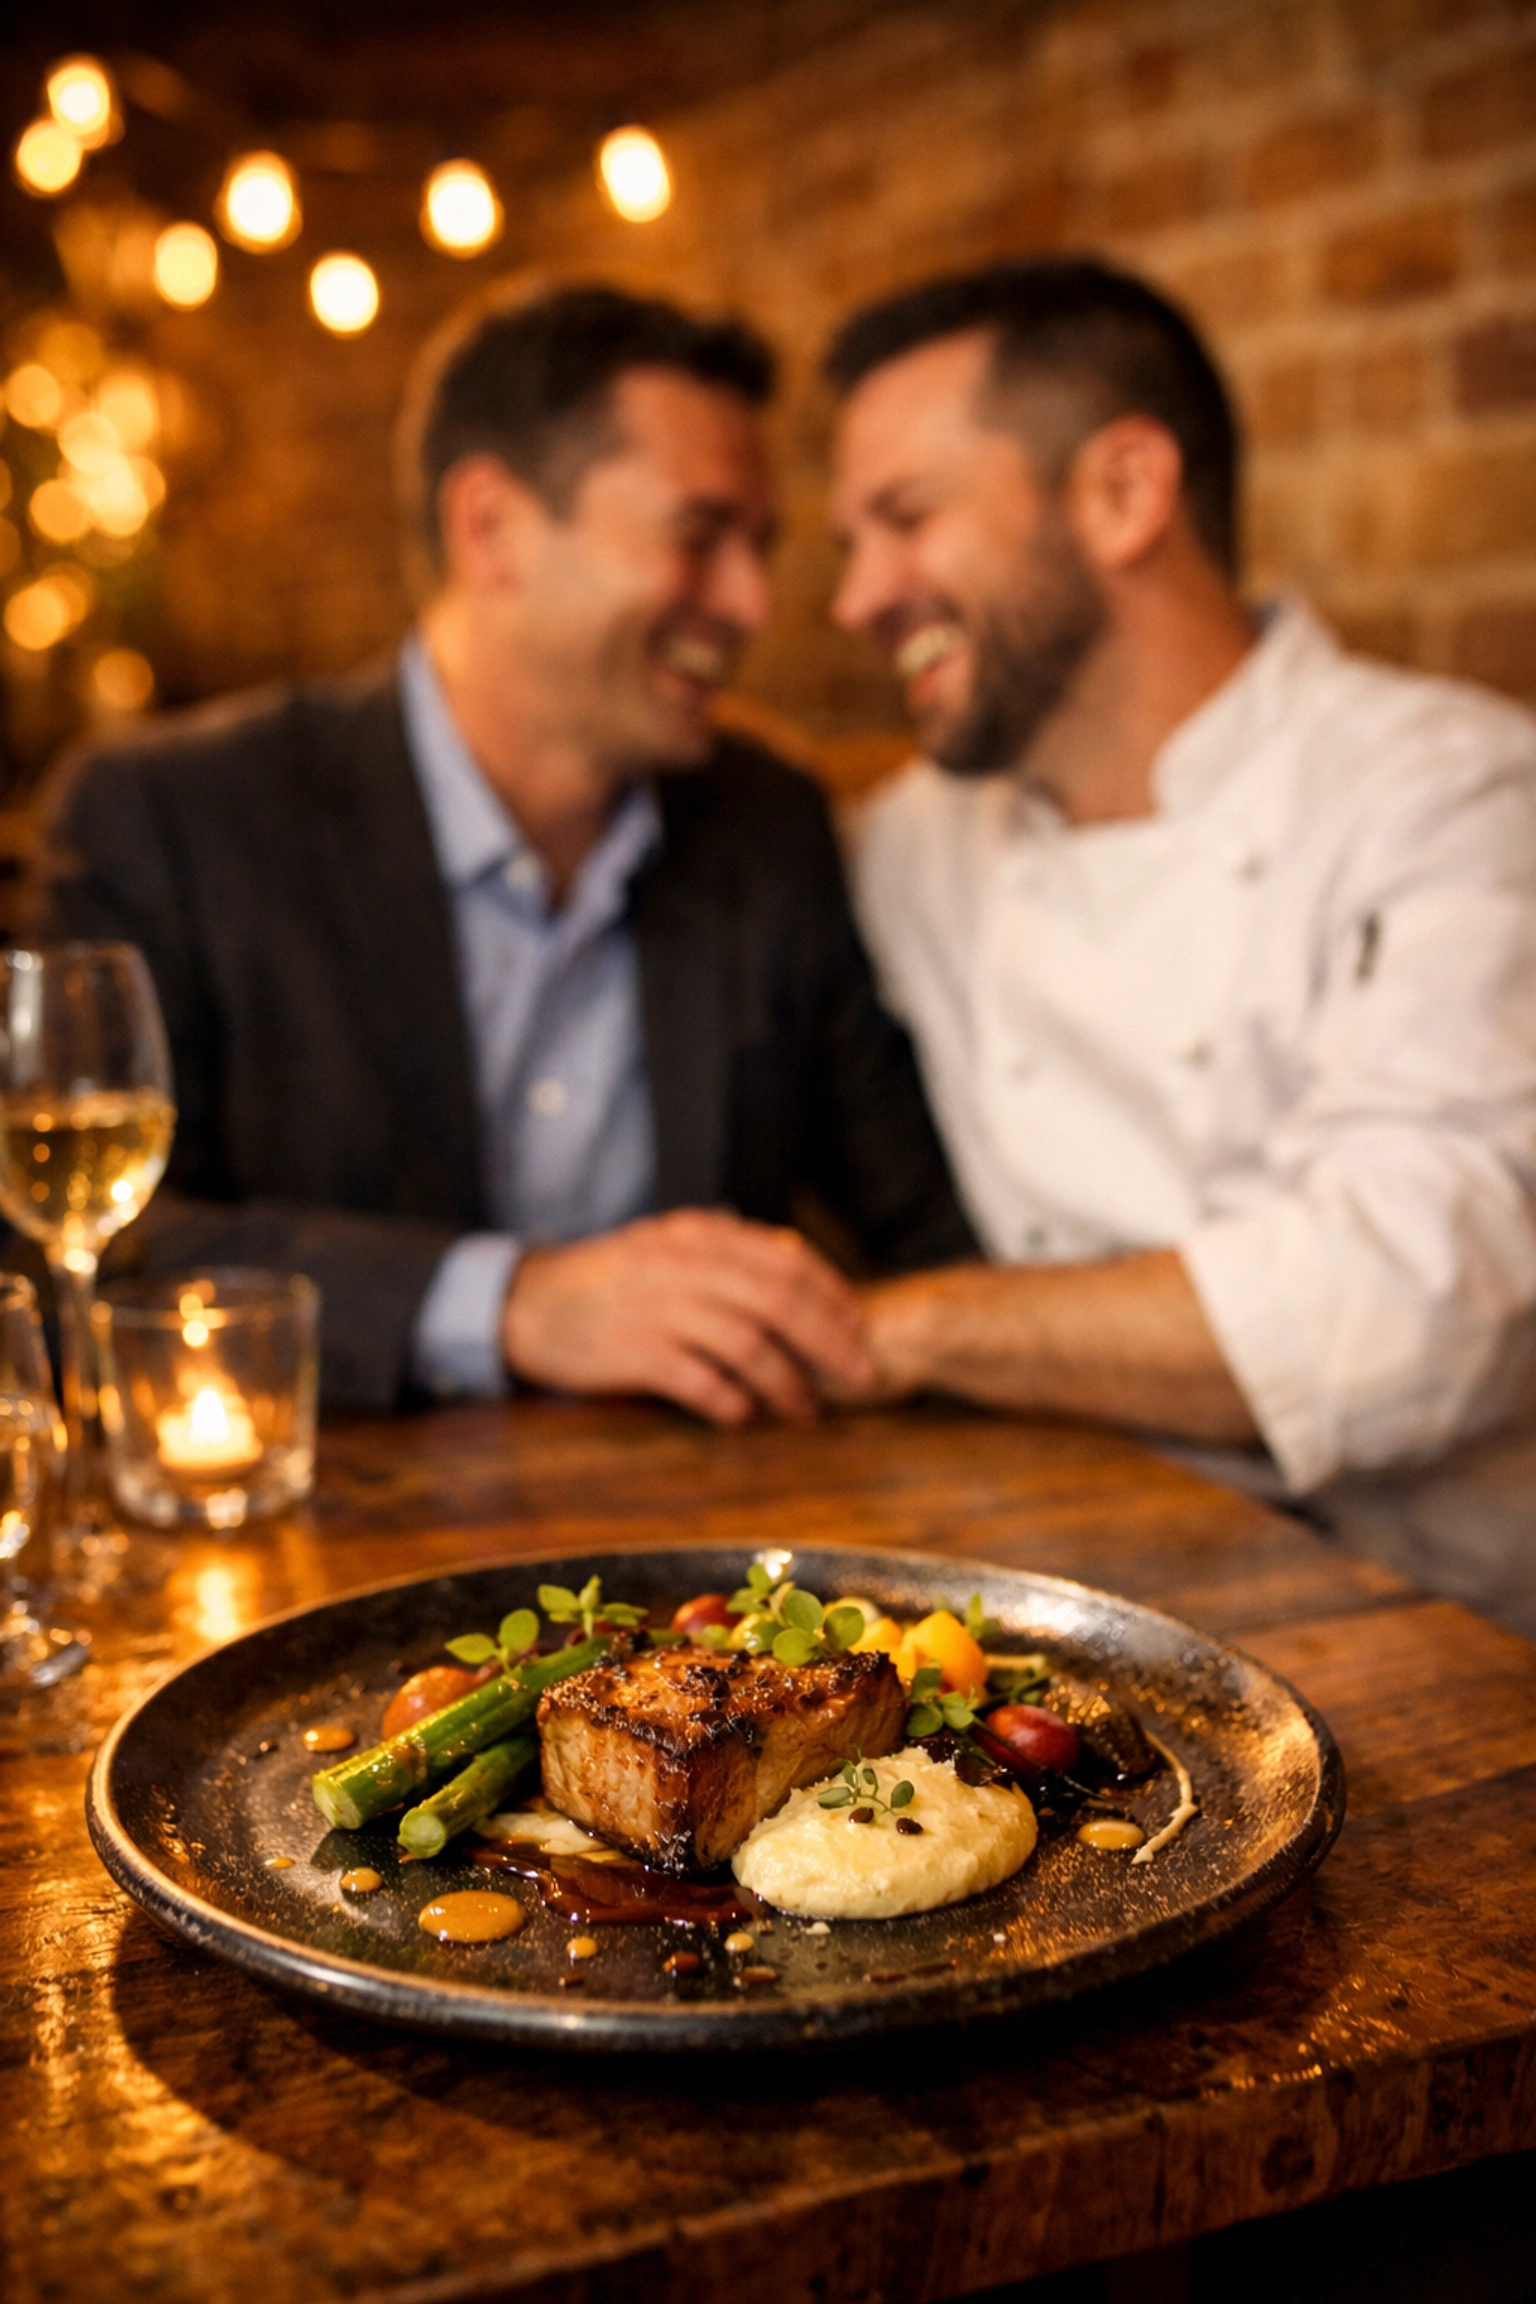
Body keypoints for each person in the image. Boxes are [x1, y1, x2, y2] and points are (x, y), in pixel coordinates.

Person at [32, 283, 974, 1415]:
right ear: (493, 528)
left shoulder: (767, 826)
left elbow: (928, 1241)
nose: (753, 603)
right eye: (700, 534)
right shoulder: (175, 815)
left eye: (761, 547)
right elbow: (71, 1255)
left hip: (707, 1559)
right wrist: (510, 1303)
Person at [823, 256, 1536, 1630]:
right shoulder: (921, 841)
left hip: (1447, 1618)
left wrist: (908, 1329)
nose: (856, 598)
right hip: (1086, 1593)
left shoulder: (1455, 792)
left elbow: (1405, 1302)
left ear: (1124, 493)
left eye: (904, 519)